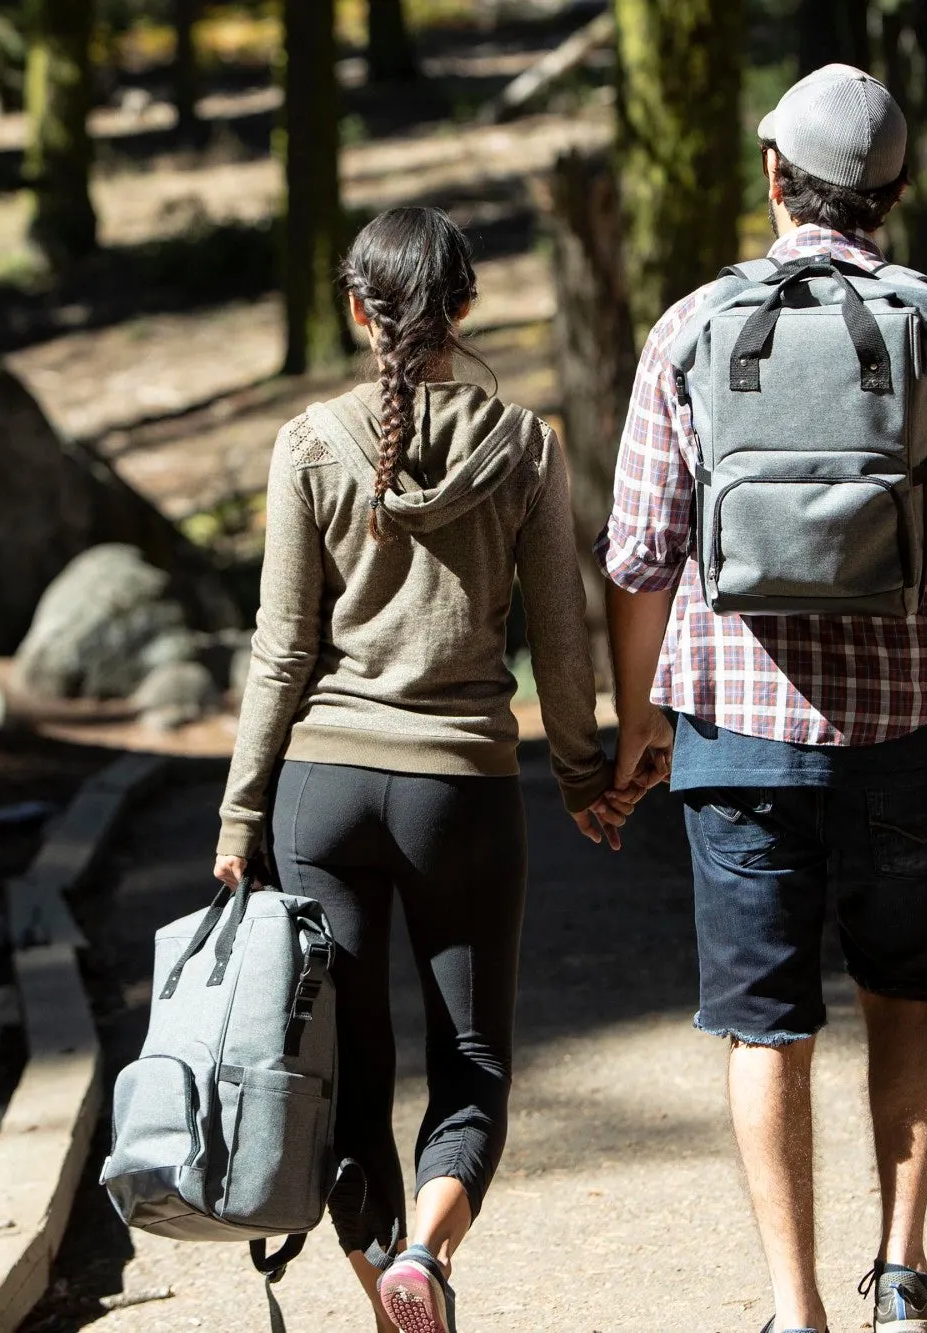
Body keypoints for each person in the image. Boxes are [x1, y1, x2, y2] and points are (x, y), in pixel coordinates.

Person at [598, 66, 927, 1333]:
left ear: (770, 175)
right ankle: (902, 1275)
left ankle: (794, 1307)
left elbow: (638, 556)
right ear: (894, 195)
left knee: (764, 1027)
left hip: (737, 734)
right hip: (911, 728)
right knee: (907, 987)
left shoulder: (688, 329)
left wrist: (635, 722)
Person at [213, 206, 631, 1333]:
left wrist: (240, 812)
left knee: (341, 1074)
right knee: (471, 1060)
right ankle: (428, 1259)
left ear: (357, 307)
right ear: (465, 307)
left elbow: (283, 647)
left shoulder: (308, 443)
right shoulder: (526, 447)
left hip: (321, 793)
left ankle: (388, 1288)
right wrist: (583, 775)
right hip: (463, 792)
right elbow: (559, 632)